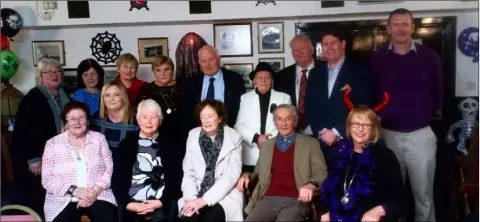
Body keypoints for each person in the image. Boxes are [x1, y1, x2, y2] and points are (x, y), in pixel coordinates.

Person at [369, 8, 443, 221]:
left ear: (413, 27)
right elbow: (372, 93)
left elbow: (439, 91)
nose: (400, 28)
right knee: (391, 194)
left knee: (424, 195)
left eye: (405, 24)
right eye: (396, 24)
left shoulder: (429, 57)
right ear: (388, 28)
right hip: (387, 135)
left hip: (420, 135)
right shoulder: (377, 59)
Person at [237, 104, 328, 221]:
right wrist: (246, 175)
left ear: (294, 121)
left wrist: (311, 185)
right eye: (279, 119)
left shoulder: (310, 144)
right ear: (275, 122)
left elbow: (321, 173)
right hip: (268, 199)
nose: (283, 123)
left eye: (288, 119)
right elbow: (257, 172)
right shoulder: (267, 146)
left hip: (297, 200)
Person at [319, 107, 405, 222]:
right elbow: (330, 189)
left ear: (374, 130)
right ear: (348, 128)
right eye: (355, 124)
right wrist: (325, 212)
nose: (360, 129)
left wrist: (379, 210)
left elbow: (399, 200)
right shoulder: (340, 152)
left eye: (366, 125)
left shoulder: (385, 156)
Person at [10, 58, 71, 217]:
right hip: (38, 156)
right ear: (40, 76)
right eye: (48, 72)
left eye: (57, 71)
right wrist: (33, 158)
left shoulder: (64, 95)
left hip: (61, 154)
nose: (54, 74)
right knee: (38, 195)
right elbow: (24, 131)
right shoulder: (33, 98)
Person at [305, 28, 373, 169]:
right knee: (322, 186)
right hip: (320, 142)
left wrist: (337, 132)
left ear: (343, 44)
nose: (329, 47)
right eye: (325, 44)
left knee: (348, 186)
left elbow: (363, 107)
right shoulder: (315, 73)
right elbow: (309, 107)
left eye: (333, 43)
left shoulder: (359, 70)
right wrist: (321, 131)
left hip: (350, 141)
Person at [41, 102, 117, 222]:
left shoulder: (99, 139)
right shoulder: (52, 144)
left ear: (87, 121)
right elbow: (47, 179)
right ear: (66, 123)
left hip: (98, 195)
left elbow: (109, 169)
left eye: (81, 118)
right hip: (63, 198)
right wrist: (75, 190)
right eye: (72, 119)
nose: (77, 122)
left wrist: (94, 192)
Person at [112, 99, 183, 222]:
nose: (149, 122)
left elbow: (176, 179)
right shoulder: (127, 144)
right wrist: (127, 204)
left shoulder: (171, 144)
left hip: (161, 204)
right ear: (138, 120)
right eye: (144, 117)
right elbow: (117, 178)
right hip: (132, 204)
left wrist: (161, 202)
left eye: (154, 117)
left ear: (160, 121)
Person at [178, 100, 243, 222]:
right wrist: (192, 198)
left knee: (211, 217)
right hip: (196, 191)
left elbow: (231, 175)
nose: (206, 121)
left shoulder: (234, 137)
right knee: (190, 217)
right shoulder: (192, 135)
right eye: (202, 117)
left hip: (224, 194)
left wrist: (205, 200)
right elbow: (188, 172)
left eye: (210, 116)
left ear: (220, 118)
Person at [234, 62, 291, 172]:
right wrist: (256, 138)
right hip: (251, 157)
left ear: (272, 82)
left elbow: (288, 125)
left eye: (267, 77)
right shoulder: (245, 98)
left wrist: (268, 142)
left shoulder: (284, 98)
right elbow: (238, 125)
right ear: (254, 81)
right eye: (260, 77)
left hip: (277, 151)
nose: (263, 80)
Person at [182, 45, 245, 131]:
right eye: (203, 61)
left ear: (219, 59)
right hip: (199, 132)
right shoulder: (192, 82)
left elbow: (241, 110)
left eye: (211, 60)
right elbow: (188, 112)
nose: (208, 65)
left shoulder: (235, 80)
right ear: (199, 62)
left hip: (228, 131)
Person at [135, 55, 186, 157]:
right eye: (158, 70)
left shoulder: (184, 87)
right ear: (154, 72)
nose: (163, 74)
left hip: (182, 136)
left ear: (173, 69)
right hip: (156, 138)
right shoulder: (147, 90)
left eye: (166, 69)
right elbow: (140, 117)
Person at [274, 34, 322, 135]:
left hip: (321, 131)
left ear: (312, 49)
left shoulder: (325, 71)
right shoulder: (281, 76)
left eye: (302, 48)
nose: (298, 52)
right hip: (291, 132)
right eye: (295, 50)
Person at [90, 81, 139, 152]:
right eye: (107, 95)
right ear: (103, 99)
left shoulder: (136, 120)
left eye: (116, 95)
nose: (111, 99)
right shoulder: (96, 119)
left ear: (123, 97)